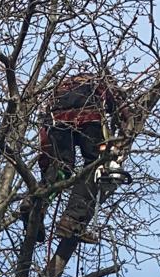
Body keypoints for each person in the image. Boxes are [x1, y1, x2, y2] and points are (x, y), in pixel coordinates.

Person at [20, 71, 132, 244]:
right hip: (89, 116)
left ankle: (36, 201)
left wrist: (45, 165)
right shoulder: (103, 82)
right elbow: (125, 115)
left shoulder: (60, 88)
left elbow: (45, 131)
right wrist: (122, 140)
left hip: (56, 120)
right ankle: (71, 220)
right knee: (95, 166)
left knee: (61, 167)